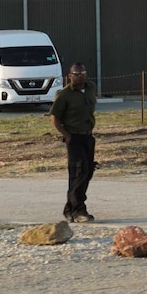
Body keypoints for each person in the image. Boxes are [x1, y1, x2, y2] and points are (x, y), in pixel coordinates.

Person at [49, 62, 98, 223]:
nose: (79, 76)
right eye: (76, 73)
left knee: (88, 171)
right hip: (74, 137)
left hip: (87, 136)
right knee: (79, 172)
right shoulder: (64, 95)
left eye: (82, 72)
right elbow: (55, 117)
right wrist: (67, 136)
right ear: (70, 76)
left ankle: (69, 208)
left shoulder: (91, 88)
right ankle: (78, 210)